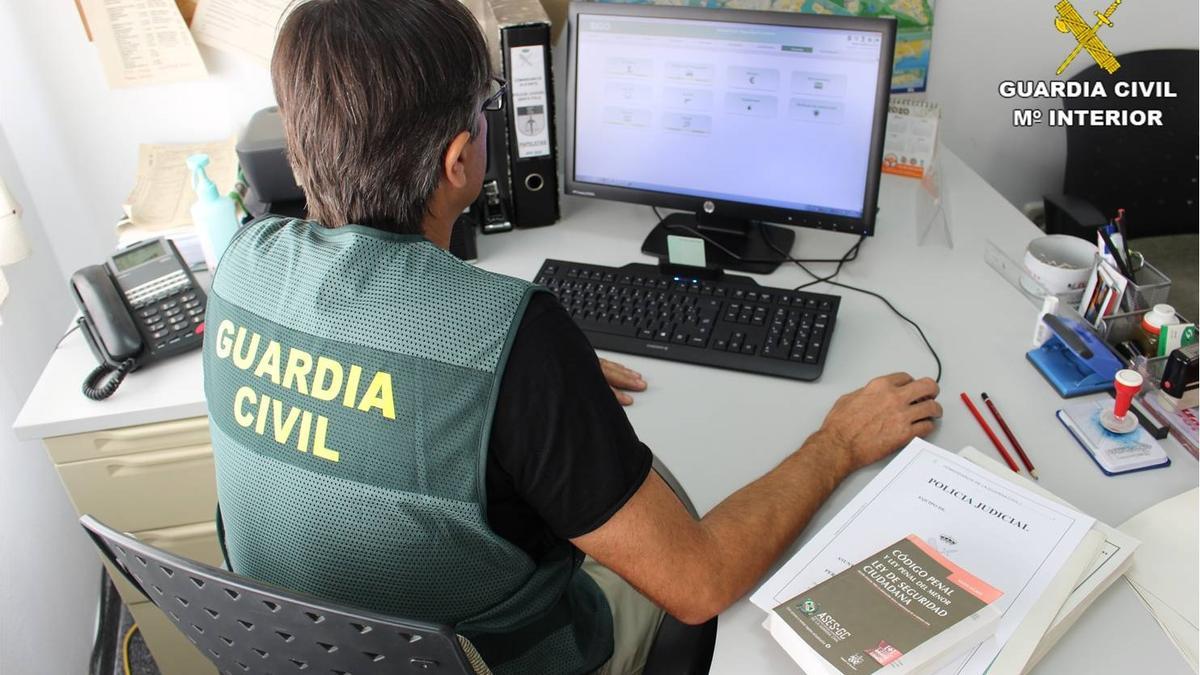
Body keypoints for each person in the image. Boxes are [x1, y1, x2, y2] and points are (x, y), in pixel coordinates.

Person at [201, 1, 943, 673]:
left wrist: (521, 399)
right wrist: (837, 443)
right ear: (462, 162)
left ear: (299, 150)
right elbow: (698, 581)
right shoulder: (519, 339)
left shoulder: (241, 267)